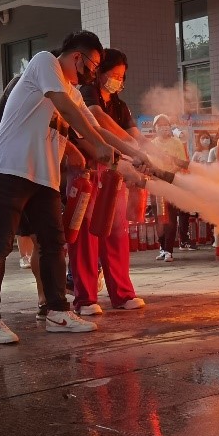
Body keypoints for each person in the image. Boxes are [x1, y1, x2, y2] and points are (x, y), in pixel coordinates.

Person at [0, 32, 149, 344]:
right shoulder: (44, 62)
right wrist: (97, 145)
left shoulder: (72, 91)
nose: (92, 74)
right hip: (10, 168)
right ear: (77, 57)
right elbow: (68, 113)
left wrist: (134, 154)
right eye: (92, 66)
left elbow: (94, 128)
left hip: (44, 176)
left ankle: (58, 312)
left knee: (54, 244)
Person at [0, 74, 79, 330]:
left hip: (32, 174)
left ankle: (46, 302)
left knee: (41, 240)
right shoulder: (26, 83)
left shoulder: (64, 92)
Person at [71, 48, 148, 314]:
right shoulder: (87, 93)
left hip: (114, 173)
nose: (118, 80)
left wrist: (154, 153)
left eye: (122, 76)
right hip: (87, 171)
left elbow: (135, 135)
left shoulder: (120, 105)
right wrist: (132, 148)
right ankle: (85, 298)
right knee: (86, 235)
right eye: (114, 74)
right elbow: (98, 122)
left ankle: (122, 293)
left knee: (117, 231)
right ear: (100, 72)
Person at [152, 114, 190, 262]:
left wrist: (168, 175)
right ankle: (162, 247)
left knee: (171, 217)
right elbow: (149, 162)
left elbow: (181, 162)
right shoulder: (152, 144)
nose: (163, 127)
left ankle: (169, 250)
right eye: (160, 125)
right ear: (155, 128)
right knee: (159, 218)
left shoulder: (176, 143)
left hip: (172, 184)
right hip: (156, 183)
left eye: (166, 125)